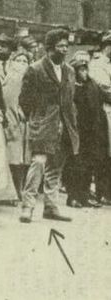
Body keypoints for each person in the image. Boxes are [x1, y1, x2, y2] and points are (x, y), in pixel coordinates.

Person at [19, 28, 79, 223]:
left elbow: (70, 99)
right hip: (44, 125)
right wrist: (38, 118)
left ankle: (51, 207)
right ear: (49, 48)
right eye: (60, 46)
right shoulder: (35, 69)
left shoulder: (69, 70)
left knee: (55, 167)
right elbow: (25, 100)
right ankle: (27, 207)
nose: (64, 50)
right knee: (38, 163)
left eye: (66, 46)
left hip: (65, 126)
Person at [63, 52, 105, 208]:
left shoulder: (92, 85)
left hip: (92, 131)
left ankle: (85, 195)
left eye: (85, 69)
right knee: (75, 165)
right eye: (80, 70)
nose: (84, 73)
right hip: (76, 131)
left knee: (88, 164)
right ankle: (73, 196)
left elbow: (103, 98)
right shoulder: (70, 87)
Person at [3, 52, 31, 203]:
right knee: (14, 159)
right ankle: (13, 192)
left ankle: (18, 191)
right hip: (13, 123)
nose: (21, 63)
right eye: (18, 60)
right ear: (11, 62)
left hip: (24, 124)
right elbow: (10, 104)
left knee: (20, 160)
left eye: (24, 61)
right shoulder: (12, 79)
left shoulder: (26, 79)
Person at [89, 33, 111, 205]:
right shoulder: (97, 65)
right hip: (104, 113)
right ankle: (103, 192)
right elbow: (104, 89)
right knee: (104, 154)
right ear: (107, 46)